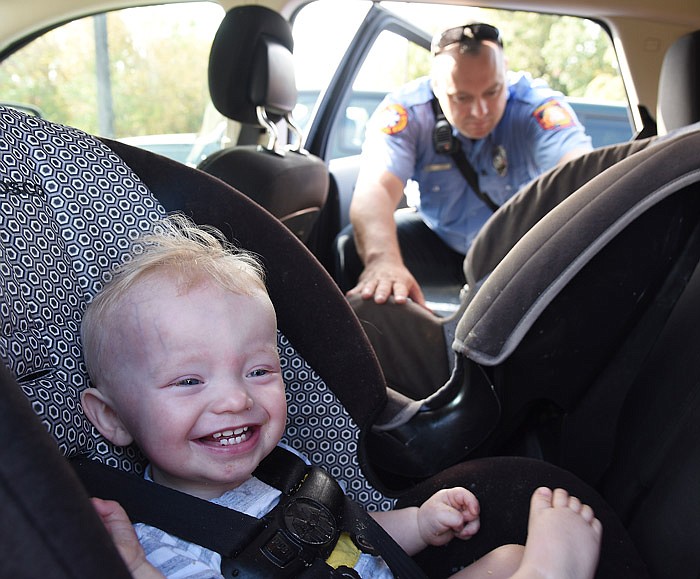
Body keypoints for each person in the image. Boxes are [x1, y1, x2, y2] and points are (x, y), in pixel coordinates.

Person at [79, 215, 602, 579]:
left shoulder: (283, 470)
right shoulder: (159, 540)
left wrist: (419, 524)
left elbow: (348, 536)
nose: (236, 401)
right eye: (189, 381)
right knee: (531, 568)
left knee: (509, 559)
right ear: (113, 418)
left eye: (259, 370)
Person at [337, 22, 592, 306]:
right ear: (435, 86)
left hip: (515, 250)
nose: (480, 111)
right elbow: (376, 189)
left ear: (504, 72)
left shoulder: (536, 107)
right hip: (441, 241)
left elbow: (580, 173)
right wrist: (383, 263)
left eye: (493, 92)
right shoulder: (407, 113)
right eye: (462, 98)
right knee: (351, 247)